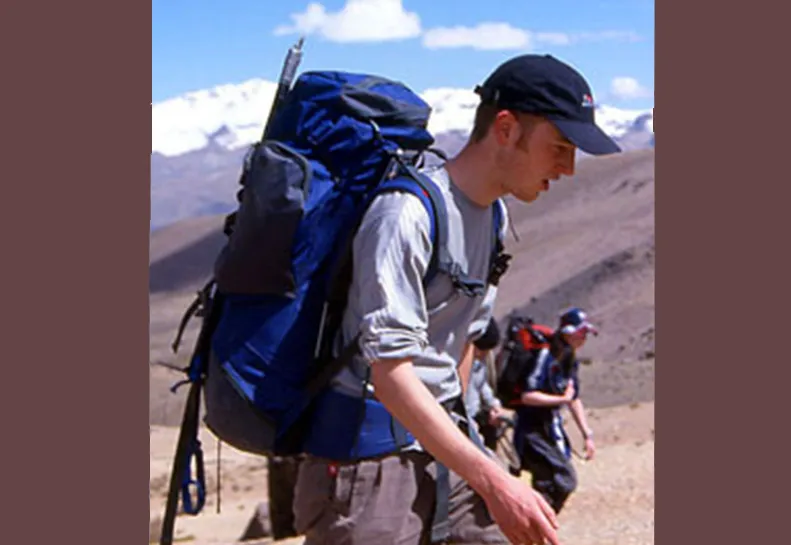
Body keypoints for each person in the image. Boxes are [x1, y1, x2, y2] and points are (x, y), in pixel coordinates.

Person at [292, 54, 620, 545]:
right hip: (368, 465)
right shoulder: (406, 215)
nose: (568, 168)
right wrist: (493, 480)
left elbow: (465, 338)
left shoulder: (492, 219)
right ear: (506, 128)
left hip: (445, 444)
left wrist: (468, 444)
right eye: (559, 147)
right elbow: (390, 372)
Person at [512, 307, 599, 515]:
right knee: (563, 480)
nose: (585, 338)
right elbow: (527, 396)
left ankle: (532, 532)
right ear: (568, 332)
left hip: (551, 430)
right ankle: (529, 528)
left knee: (549, 484)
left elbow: (573, 398)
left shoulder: (569, 360)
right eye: (582, 332)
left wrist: (587, 435)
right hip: (533, 431)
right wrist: (561, 399)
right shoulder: (545, 356)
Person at [465, 317, 509, 451]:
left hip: (477, 418)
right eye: (482, 351)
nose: (484, 355)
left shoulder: (479, 362)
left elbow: (481, 383)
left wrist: (493, 404)